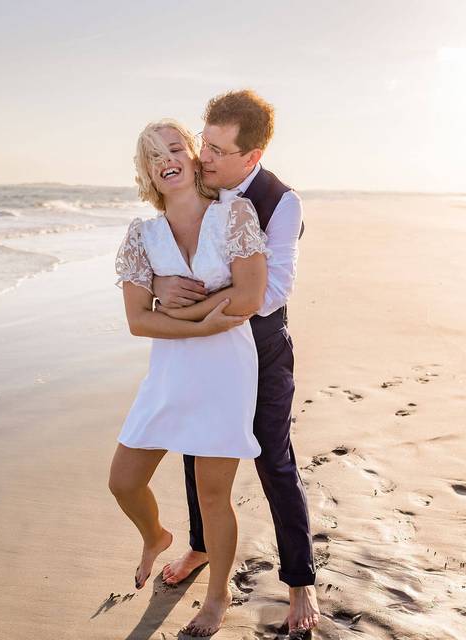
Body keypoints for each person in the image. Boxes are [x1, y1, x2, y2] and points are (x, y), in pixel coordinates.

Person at [154, 90, 320, 636]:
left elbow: (270, 290)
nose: (205, 158)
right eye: (205, 142)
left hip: (263, 347)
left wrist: (197, 306)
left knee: (274, 459)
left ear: (252, 156)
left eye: (220, 151)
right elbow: (169, 242)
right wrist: (160, 282)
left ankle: (299, 582)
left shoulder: (282, 202)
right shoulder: (202, 183)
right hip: (206, 347)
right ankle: (201, 548)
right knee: (196, 450)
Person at [109, 117, 271, 637]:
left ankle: (217, 596)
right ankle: (155, 535)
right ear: (148, 174)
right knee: (124, 480)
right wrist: (197, 319)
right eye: (153, 157)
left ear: (193, 155)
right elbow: (138, 321)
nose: (165, 160)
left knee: (212, 494)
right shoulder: (143, 236)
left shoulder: (235, 215)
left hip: (225, 371)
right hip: (170, 373)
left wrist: (174, 312)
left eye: (173, 147)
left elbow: (248, 298)